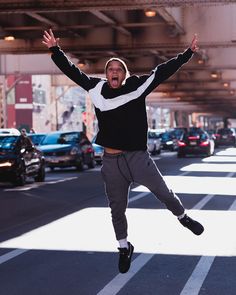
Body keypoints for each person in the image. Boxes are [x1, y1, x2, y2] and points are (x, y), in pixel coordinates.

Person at [42, 29, 204, 274]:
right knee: (116, 209)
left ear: (125, 74)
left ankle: (183, 217)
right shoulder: (96, 89)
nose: (113, 72)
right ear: (106, 74)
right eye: (110, 69)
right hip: (111, 160)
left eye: (118, 69)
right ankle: (123, 247)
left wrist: (187, 54)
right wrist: (55, 50)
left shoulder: (138, 86)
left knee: (164, 193)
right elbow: (72, 72)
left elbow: (162, 71)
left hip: (137, 157)